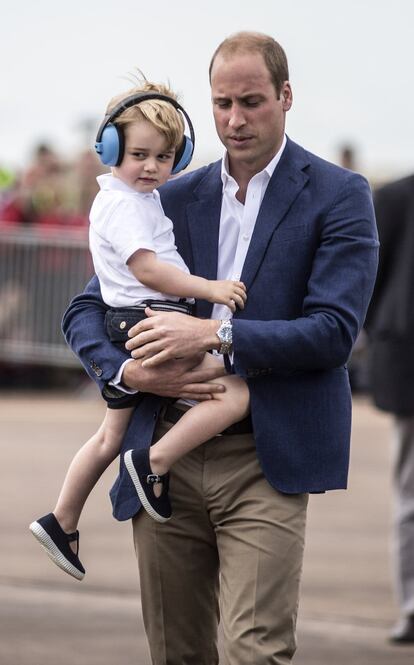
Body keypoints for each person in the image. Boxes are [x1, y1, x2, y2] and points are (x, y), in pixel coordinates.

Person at [62, 32, 379, 664]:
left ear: (286, 96)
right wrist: (126, 373)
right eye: (222, 103)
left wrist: (217, 332)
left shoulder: (341, 195)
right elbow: (86, 310)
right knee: (177, 654)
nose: (235, 119)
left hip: (265, 454)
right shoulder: (163, 194)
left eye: (252, 101)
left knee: (254, 652)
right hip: (159, 454)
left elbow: (333, 332)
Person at [30, 80, 250, 581]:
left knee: (110, 435)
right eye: (138, 154)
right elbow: (148, 268)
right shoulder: (126, 205)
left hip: (135, 320)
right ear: (108, 148)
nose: (152, 167)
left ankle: (61, 519)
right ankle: (154, 462)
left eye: (165, 157)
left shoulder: (132, 196)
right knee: (234, 390)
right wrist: (210, 290)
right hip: (149, 318)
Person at [365, 174, 414, 644]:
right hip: (409, 365)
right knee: (411, 495)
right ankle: (413, 609)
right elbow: (370, 279)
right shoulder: (396, 196)